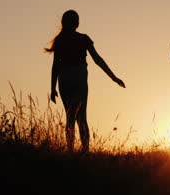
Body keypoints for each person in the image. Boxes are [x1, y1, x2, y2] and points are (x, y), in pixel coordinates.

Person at [46, 10, 125, 153]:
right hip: (78, 80)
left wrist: (53, 88)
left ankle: (72, 152)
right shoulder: (82, 39)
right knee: (81, 118)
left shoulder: (61, 40)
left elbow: (55, 67)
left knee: (71, 117)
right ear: (77, 23)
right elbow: (98, 60)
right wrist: (113, 77)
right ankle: (84, 152)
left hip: (64, 80)